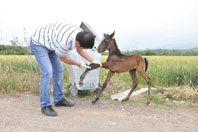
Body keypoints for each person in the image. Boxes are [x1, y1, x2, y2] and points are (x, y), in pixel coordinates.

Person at [29, 22, 101, 116]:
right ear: (77, 43)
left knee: (59, 71)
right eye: (83, 47)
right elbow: (63, 58)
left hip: (53, 43)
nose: (83, 49)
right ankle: (45, 106)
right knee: (47, 72)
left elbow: (80, 49)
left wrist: (93, 60)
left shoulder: (80, 34)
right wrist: (80, 64)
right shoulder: (65, 41)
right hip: (39, 43)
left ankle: (58, 100)